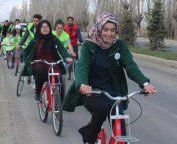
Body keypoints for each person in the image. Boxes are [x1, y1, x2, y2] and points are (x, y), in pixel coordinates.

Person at [62, 12, 156, 144]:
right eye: (105, 29)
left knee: (121, 131)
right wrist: (83, 84)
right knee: (101, 108)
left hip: (113, 92)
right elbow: (82, 66)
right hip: (92, 91)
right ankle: (89, 135)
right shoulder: (89, 45)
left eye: (113, 30)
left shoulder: (119, 45)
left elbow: (130, 66)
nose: (109, 34)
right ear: (99, 29)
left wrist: (145, 83)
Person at [21, 20, 73, 101]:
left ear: (50, 28)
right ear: (39, 29)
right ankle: (38, 92)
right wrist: (27, 62)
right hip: (38, 61)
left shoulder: (53, 38)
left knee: (58, 77)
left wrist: (66, 57)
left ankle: (59, 100)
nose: (45, 28)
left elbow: (61, 49)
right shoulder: (35, 39)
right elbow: (26, 51)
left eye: (47, 27)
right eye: (42, 27)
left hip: (52, 61)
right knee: (40, 71)